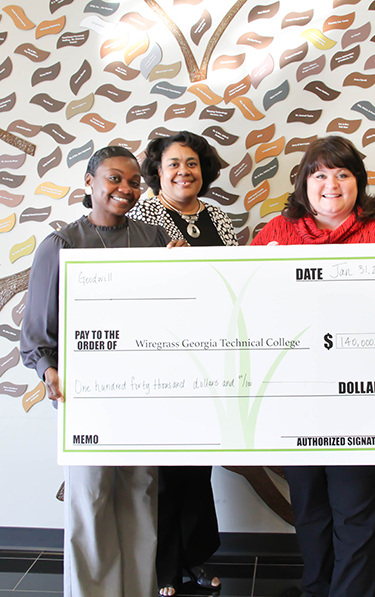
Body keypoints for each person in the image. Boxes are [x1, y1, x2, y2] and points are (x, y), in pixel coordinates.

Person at [251, 136, 375, 597]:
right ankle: (316, 590)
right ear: (303, 183)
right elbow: (244, 306)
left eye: (342, 173)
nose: (330, 183)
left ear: (358, 182)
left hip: (369, 403)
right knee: (310, 511)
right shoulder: (275, 236)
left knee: (358, 516)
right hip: (297, 404)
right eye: (319, 174)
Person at [20, 146, 182, 597]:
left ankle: (139, 591)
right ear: (89, 182)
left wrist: (185, 270)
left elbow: (173, 314)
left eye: (134, 183)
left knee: (140, 494)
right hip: (85, 397)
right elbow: (36, 333)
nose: (125, 190)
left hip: (143, 392)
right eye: (115, 179)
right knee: (91, 500)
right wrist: (47, 370)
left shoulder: (153, 239)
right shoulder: (62, 245)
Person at [130, 131, 233, 596]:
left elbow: (235, 283)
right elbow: (131, 282)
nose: (183, 172)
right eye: (173, 164)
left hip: (211, 357)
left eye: (191, 164)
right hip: (162, 357)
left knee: (198, 468)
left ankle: (194, 559)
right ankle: (164, 568)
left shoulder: (219, 218)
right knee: (166, 471)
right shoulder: (143, 215)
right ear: (157, 170)